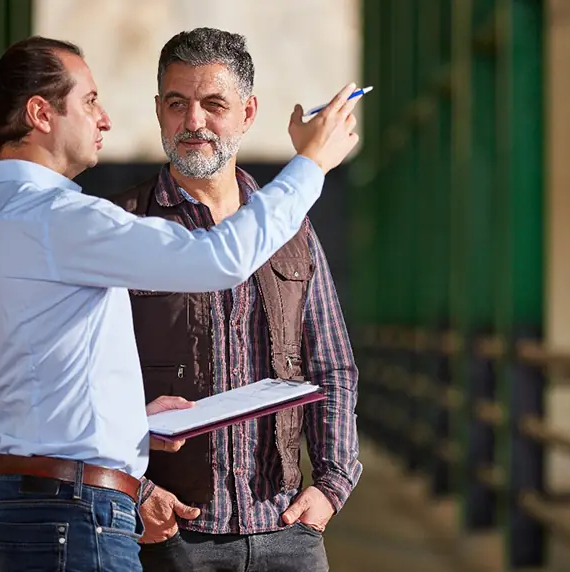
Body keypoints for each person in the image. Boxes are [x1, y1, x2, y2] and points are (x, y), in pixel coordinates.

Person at [0, 35, 361, 571]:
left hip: (10, 504)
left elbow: (25, 389)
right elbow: (222, 259)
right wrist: (312, 162)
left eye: (213, 104)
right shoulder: (68, 221)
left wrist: (131, 421)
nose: (105, 119)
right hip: (78, 515)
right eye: (90, 100)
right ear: (41, 113)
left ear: (246, 112)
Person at [110, 28, 362, 572]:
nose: (194, 122)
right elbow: (82, 382)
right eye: (177, 103)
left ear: (248, 113)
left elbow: (333, 366)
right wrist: (137, 490)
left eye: (213, 104)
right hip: (171, 532)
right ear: (158, 110)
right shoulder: (119, 228)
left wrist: (333, 484)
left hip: (287, 532)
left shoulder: (293, 229)